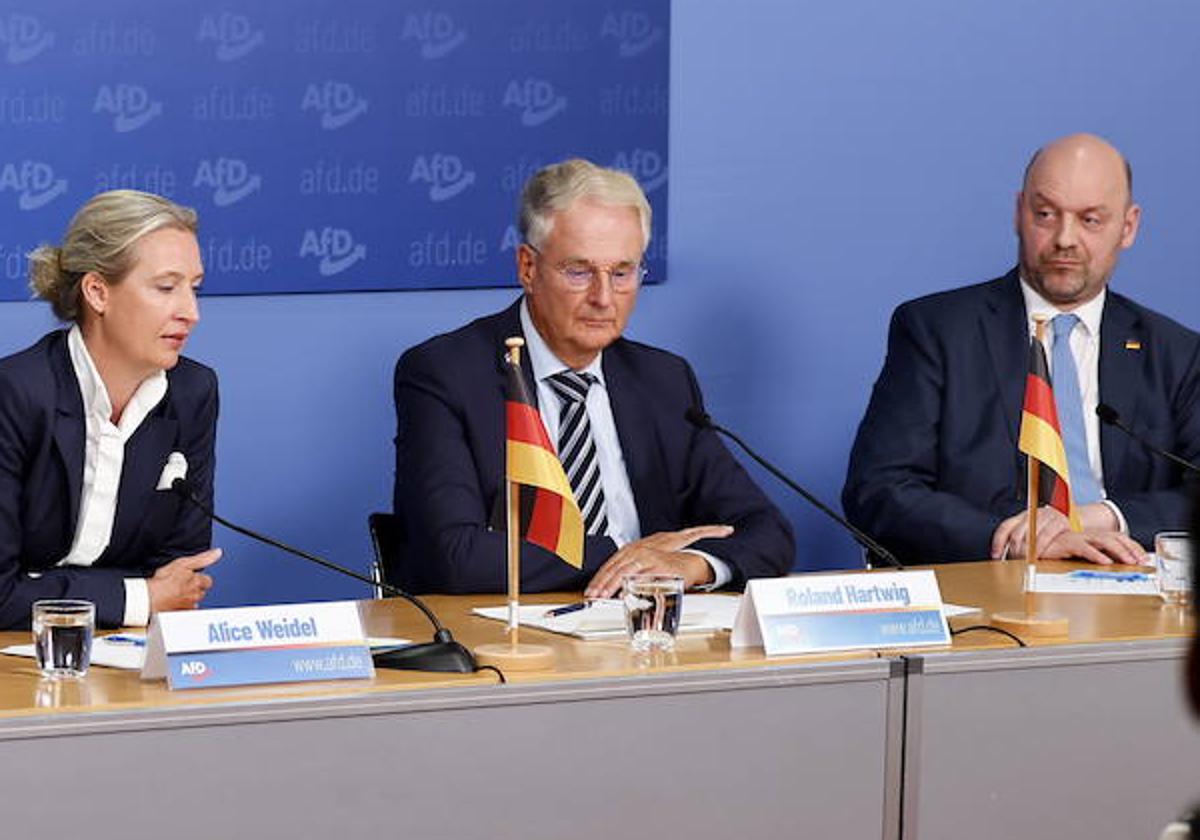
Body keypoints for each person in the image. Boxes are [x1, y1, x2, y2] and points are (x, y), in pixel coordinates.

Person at [394, 158, 794, 596]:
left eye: (621, 273)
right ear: (528, 268)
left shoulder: (663, 380)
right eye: (579, 271)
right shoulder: (446, 374)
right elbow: (454, 555)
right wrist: (628, 554)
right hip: (512, 638)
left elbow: (767, 531)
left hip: (645, 640)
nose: (604, 298)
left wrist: (692, 563)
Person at [843, 133, 1200, 566]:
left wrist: (1102, 518)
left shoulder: (1176, 354)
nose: (1064, 238)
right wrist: (1019, 537)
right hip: (989, 589)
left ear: (1128, 227)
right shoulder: (937, 330)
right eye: (1046, 214)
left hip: (1128, 589)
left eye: (1090, 220)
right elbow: (879, 490)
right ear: (1019, 212)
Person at [0, 190, 221, 630]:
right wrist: (139, 595)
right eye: (166, 287)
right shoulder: (16, 394)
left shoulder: (193, 391)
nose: (190, 312)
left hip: (127, 657)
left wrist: (49, 589)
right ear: (98, 292)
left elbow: (179, 579)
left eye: (194, 288)